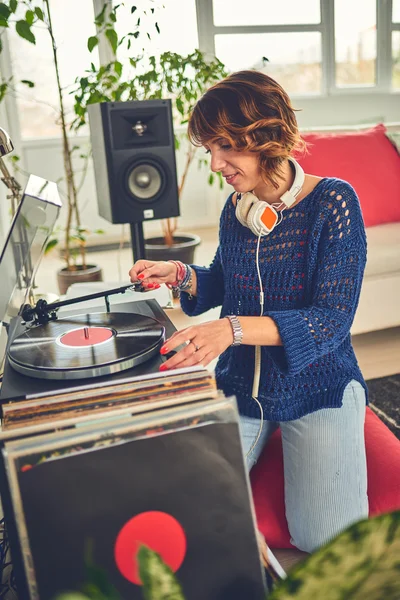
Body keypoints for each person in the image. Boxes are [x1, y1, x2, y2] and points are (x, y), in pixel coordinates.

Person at [129, 70, 368, 554]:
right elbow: (224, 280)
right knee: (183, 506)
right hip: (242, 386)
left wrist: (231, 330)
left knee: (323, 538)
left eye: (225, 148)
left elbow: (331, 319)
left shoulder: (334, 203)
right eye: (210, 149)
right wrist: (178, 273)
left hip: (318, 387)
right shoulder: (237, 207)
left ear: (266, 136)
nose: (216, 163)